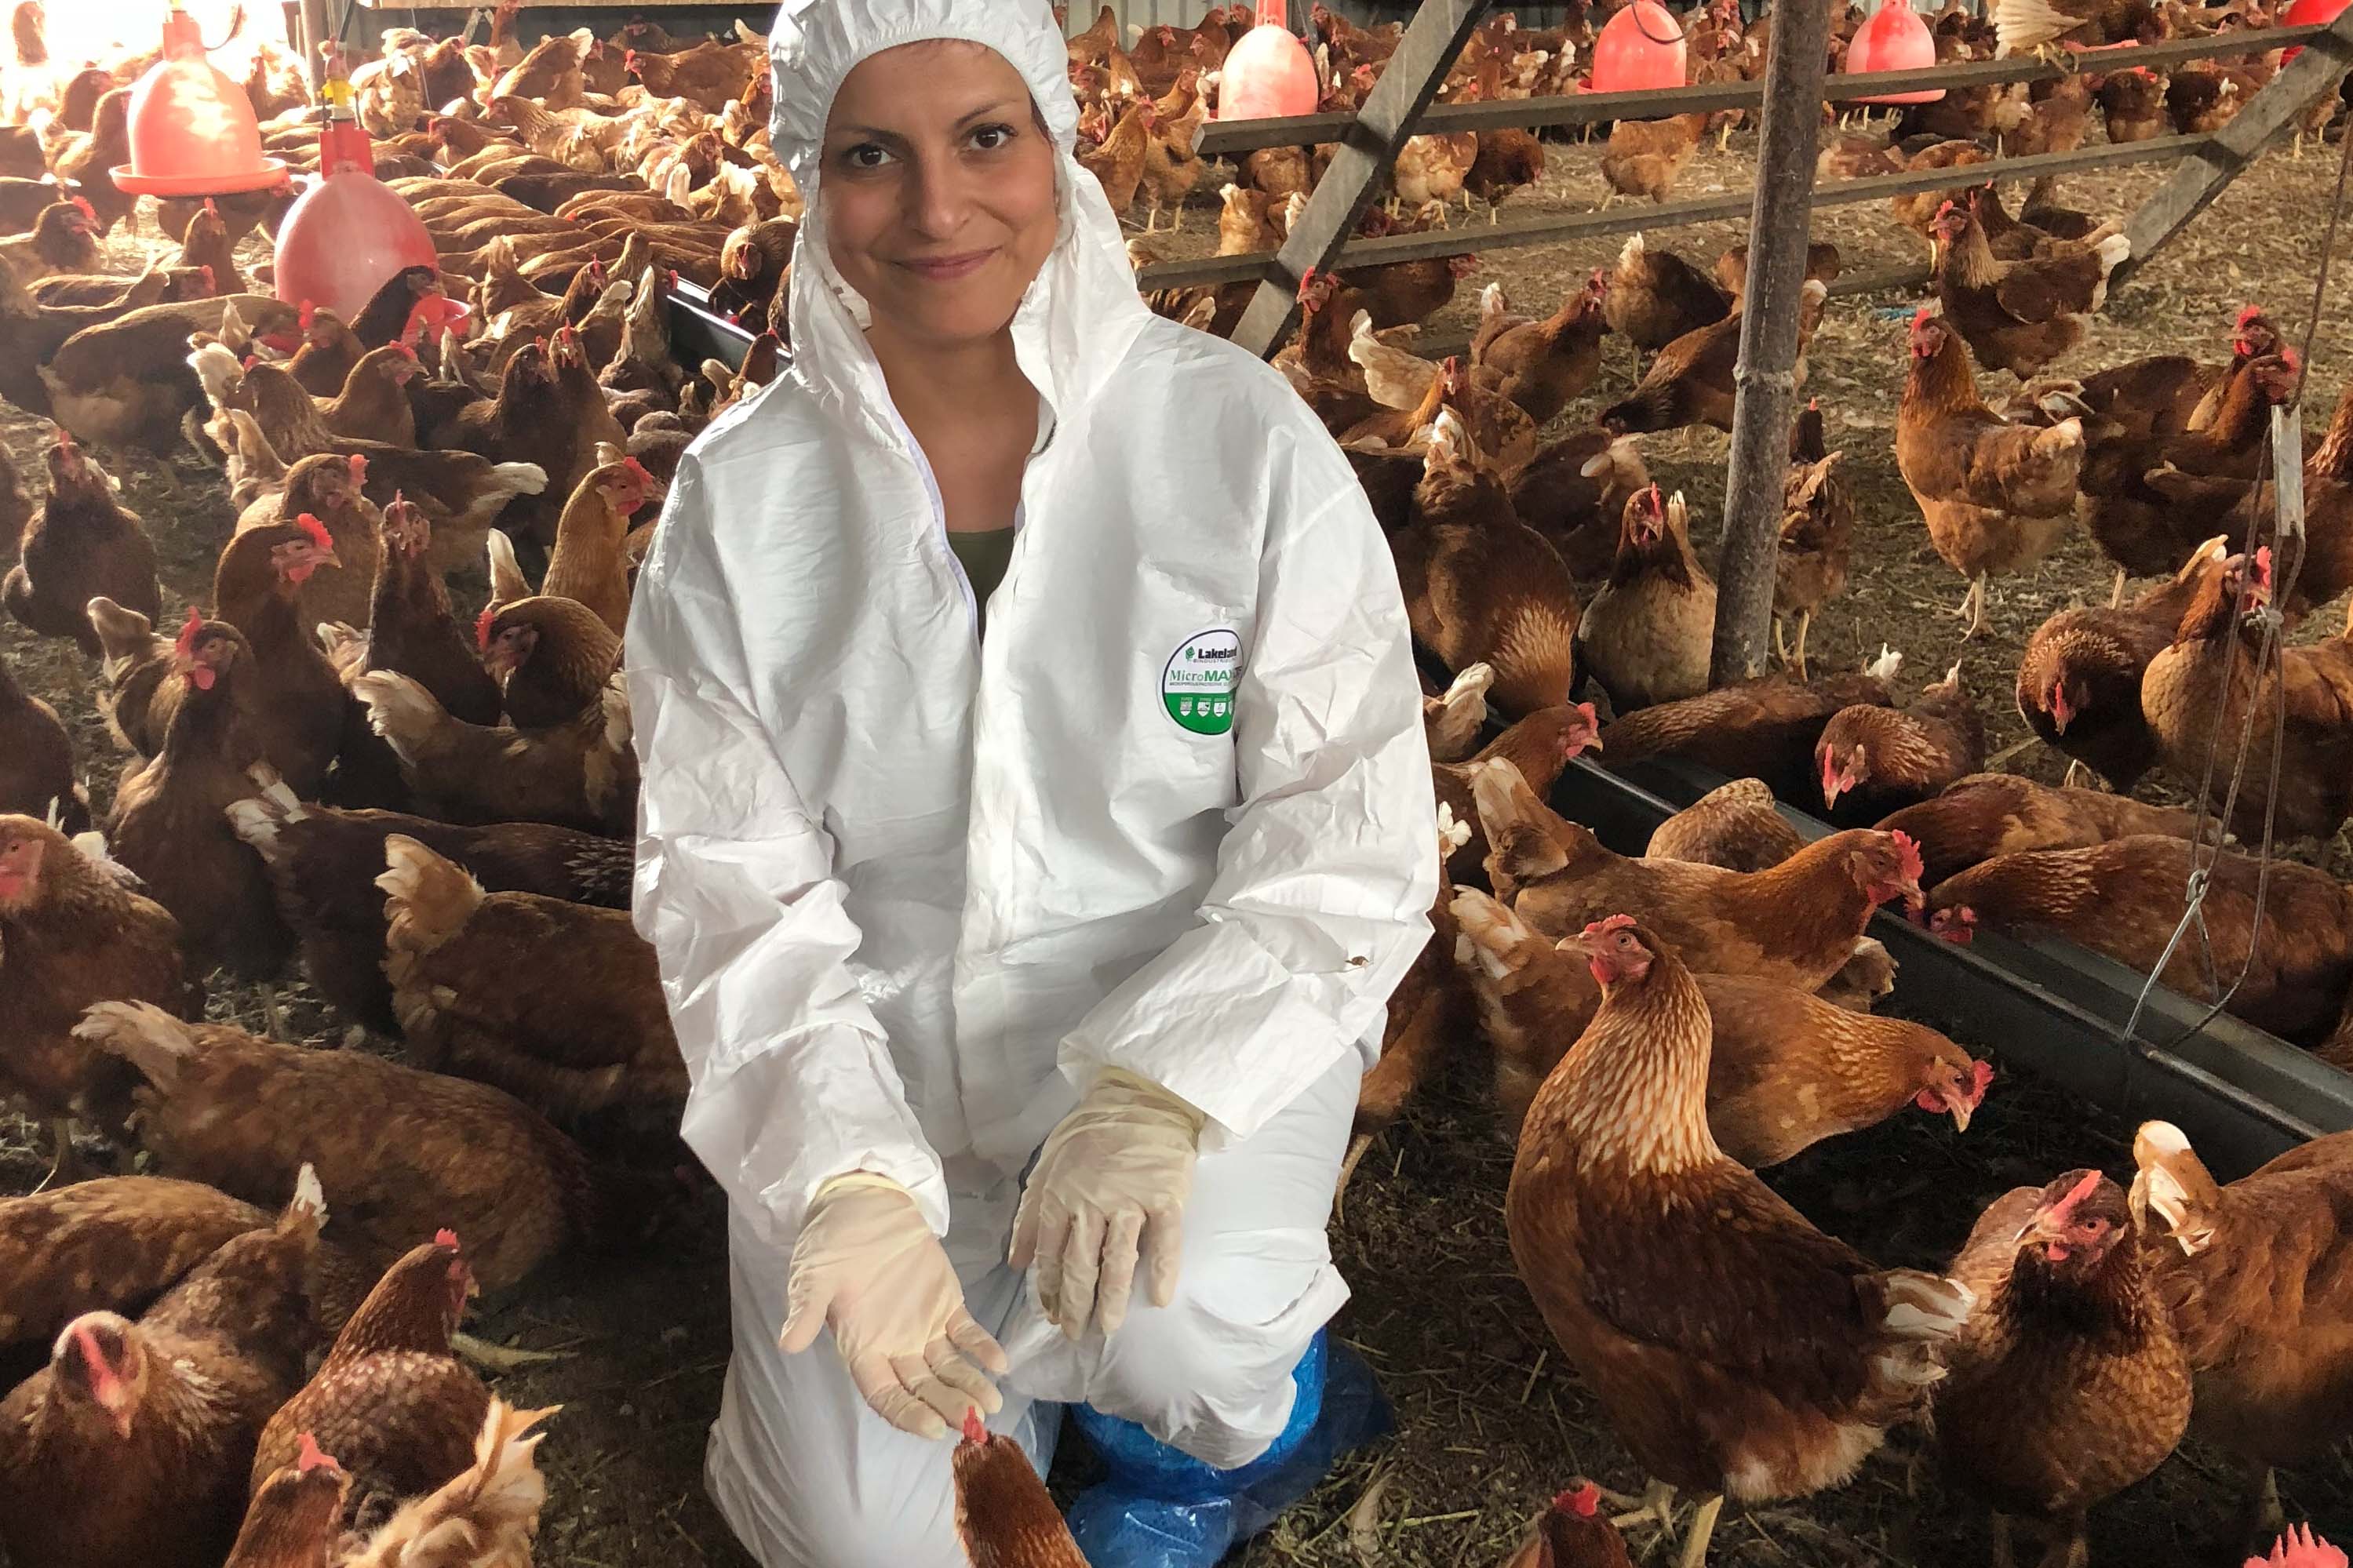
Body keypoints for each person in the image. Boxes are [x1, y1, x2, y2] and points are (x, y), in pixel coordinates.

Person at [625, 1, 1436, 1564]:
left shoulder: (1238, 445)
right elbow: (734, 898)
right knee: (861, 1550)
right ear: (812, 176)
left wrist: (1161, 1088)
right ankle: (1009, 1357)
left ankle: (1241, 1412)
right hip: (868, 1060)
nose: (937, 208)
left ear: (1058, 150)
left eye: (984, 138)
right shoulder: (738, 510)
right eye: (874, 155)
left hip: (1180, 1038)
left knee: (1191, 1331)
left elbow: (1346, 834)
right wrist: (845, 1177)